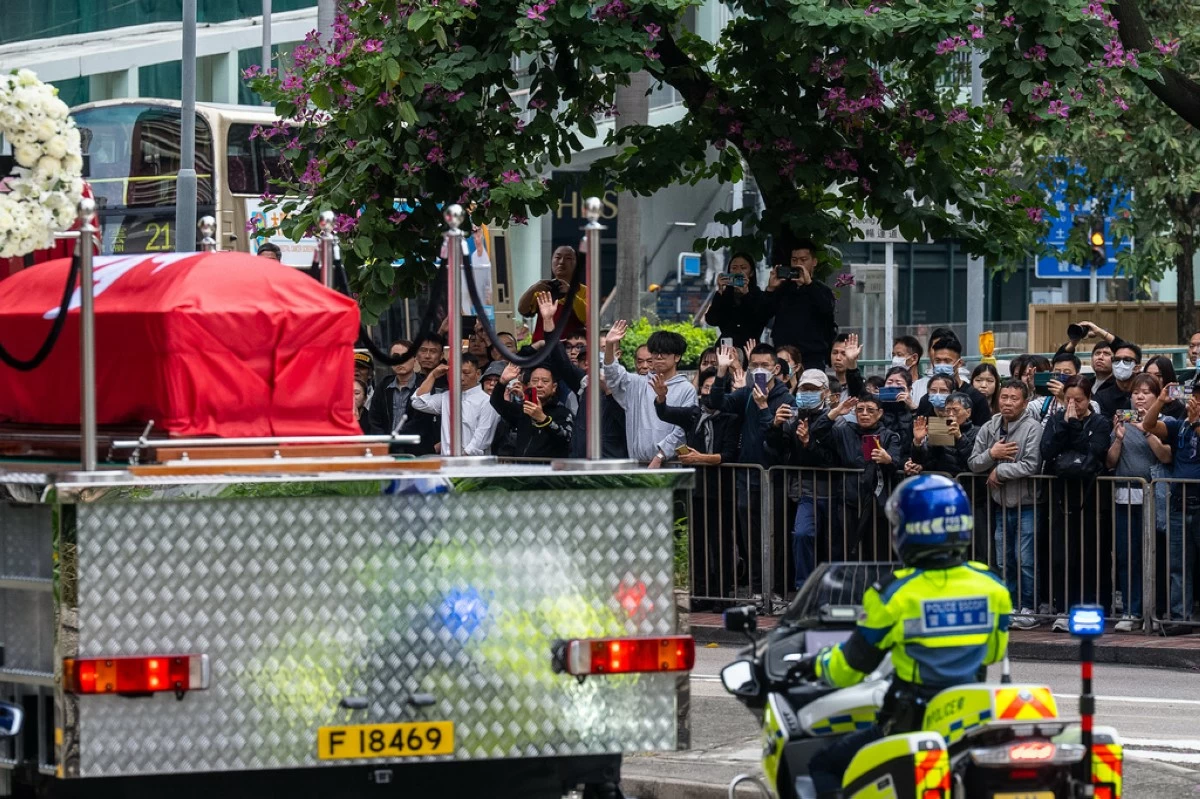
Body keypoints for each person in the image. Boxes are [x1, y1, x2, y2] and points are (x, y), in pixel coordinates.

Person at [801, 475, 1011, 799]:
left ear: (909, 531)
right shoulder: (992, 586)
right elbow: (993, 654)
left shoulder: (892, 594)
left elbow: (850, 668)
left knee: (823, 766)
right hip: (967, 722)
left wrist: (817, 664)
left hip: (911, 723)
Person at [707, 344, 795, 596]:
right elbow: (716, 403)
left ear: (776, 369)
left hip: (774, 478)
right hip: (746, 478)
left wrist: (765, 408)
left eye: (764, 366)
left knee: (775, 538)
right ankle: (757, 591)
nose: (759, 370)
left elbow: (779, 442)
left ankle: (776, 591)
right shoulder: (745, 392)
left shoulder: (785, 398)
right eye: (754, 365)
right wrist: (722, 372)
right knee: (751, 539)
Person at [654, 367, 740, 602]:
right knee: (697, 542)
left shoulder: (731, 417)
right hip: (696, 488)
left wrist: (700, 458)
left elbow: (730, 455)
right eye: (705, 387)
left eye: (714, 388)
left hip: (721, 489)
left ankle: (721, 594)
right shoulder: (693, 414)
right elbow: (666, 413)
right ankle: (699, 593)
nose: (709, 393)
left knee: (720, 542)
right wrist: (661, 397)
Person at [969, 379, 1044, 629]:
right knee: (1003, 559)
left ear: (1024, 402)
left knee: (1025, 559)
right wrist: (993, 455)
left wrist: (1000, 472)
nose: (1008, 402)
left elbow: (1031, 464)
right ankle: (1009, 605)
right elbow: (973, 462)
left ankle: (1029, 607)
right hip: (1000, 505)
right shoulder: (989, 426)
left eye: (1014, 398)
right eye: (1004, 397)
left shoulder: (1033, 427)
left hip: (1027, 503)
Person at [1040, 376, 1112, 631]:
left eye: (1078, 400)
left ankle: (1090, 609)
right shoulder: (1057, 419)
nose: (1073, 404)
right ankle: (1063, 608)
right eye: (1068, 399)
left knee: (1089, 557)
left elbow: (1094, 453)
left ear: (1089, 398)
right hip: (1062, 497)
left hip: (1091, 498)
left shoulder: (1100, 422)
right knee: (1061, 556)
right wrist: (1064, 425)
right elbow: (1047, 450)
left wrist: (1074, 427)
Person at [1106, 373, 1173, 632]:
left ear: (1158, 398)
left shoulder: (1165, 423)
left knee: (1154, 557)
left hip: (1155, 497)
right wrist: (1119, 437)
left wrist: (1146, 431)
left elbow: (1166, 457)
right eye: (1136, 392)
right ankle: (1132, 611)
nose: (1140, 397)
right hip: (1125, 496)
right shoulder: (1121, 421)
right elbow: (1111, 462)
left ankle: (1154, 611)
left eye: (1147, 392)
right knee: (1127, 555)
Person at [766, 369, 839, 588]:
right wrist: (775, 427)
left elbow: (831, 459)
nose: (807, 393)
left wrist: (809, 442)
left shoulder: (838, 419)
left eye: (813, 389)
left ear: (825, 392)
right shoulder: (792, 418)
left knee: (835, 545)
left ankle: (836, 591)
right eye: (804, 389)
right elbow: (776, 450)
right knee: (802, 534)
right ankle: (804, 589)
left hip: (837, 492)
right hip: (805, 492)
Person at [811, 393, 903, 562]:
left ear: (880, 413)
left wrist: (887, 459)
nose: (864, 414)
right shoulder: (845, 431)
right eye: (860, 410)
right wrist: (836, 412)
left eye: (870, 410)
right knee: (849, 549)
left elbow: (896, 463)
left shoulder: (890, 436)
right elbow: (817, 432)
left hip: (877, 503)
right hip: (849, 500)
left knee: (877, 550)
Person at [1141, 381, 1200, 633]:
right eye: (1194, 396)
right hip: (1179, 504)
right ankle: (1180, 616)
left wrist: (1197, 422)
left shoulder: (1192, 425)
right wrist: (1161, 401)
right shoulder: (1180, 425)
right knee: (1179, 565)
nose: (1194, 402)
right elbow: (1149, 425)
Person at [602, 322, 696, 466]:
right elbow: (613, 375)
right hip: (638, 464)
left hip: (669, 466)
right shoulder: (638, 383)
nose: (658, 356)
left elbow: (682, 431)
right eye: (655, 352)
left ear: (677, 357)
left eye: (664, 352)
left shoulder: (686, 389)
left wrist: (660, 456)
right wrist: (609, 345)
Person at [762, 239, 837, 372]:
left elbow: (827, 311)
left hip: (812, 356)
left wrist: (809, 284)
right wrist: (770, 289)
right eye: (794, 260)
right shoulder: (782, 288)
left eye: (803, 260)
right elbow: (764, 314)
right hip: (783, 355)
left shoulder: (821, 290)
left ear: (814, 262)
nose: (798, 264)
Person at [409, 354, 500, 456]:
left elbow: (481, 439)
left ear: (478, 374)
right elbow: (418, 402)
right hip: (447, 463)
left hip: (473, 464)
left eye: (466, 373)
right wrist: (433, 375)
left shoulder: (487, 401)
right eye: (456, 373)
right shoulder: (446, 397)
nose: (461, 377)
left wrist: (460, 460)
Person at [490, 362, 574, 458]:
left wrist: (543, 419)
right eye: (535, 381)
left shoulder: (562, 412)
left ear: (554, 387)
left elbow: (567, 438)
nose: (539, 385)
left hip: (549, 470)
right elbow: (496, 402)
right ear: (528, 386)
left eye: (545, 381)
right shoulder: (523, 410)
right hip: (523, 469)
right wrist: (502, 382)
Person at [913, 335, 992, 426]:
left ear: (959, 363)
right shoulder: (927, 400)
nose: (941, 365)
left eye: (947, 361)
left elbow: (984, 434)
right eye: (937, 361)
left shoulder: (976, 398)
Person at [518, 246, 587, 342]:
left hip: (570, 350)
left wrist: (570, 293)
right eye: (557, 258)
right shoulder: (543, 288)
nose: (561, 262)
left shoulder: (583, 291)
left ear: (576, 264)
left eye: (568, 258)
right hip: (541, 349)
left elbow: (588, 318)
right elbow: (523, 310)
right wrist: (532, 289)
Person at [704, 251, 769, 349]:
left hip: (749, 349)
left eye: (743, 268)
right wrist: (720, 291)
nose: (738, 272)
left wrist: (746, 294)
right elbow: (711, 320)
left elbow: (760, 319)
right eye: (734, 268)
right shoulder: (725, 295)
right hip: (725, 348)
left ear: (751, 273)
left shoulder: (758, 295)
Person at [911, 391, 977, 477]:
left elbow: (975, 461)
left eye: (955, 410)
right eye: (947, 410)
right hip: (940, 481)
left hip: (967, 483)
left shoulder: (977, 432)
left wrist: (960, 438)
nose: (950, 414)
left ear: (968, 412)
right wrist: (918, 442)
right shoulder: (939, 428)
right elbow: (923, 460)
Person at [367, 339, 416, 435]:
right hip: (386, 446)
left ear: (415, 359)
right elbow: (374, 419)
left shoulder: (423, 385)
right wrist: (384, 442)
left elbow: (421, 422)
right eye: (395, 357)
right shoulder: (383, 386)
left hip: (416, 446)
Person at [1094, 341, 1141, 418]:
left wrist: (1119, 416)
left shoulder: (1147, 393)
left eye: (1127, 360)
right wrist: (1137, 416)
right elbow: (1104, 424)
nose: (1120, 364)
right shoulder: (1101, 397)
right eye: (1116, 360)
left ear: (1137, 368)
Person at [829, 333, 866, 402]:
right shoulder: (825, 384)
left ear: (856, 357)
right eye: (835, 353)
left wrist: (851, 362)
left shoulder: (862, 385)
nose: (838, 358)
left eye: (844, 354)